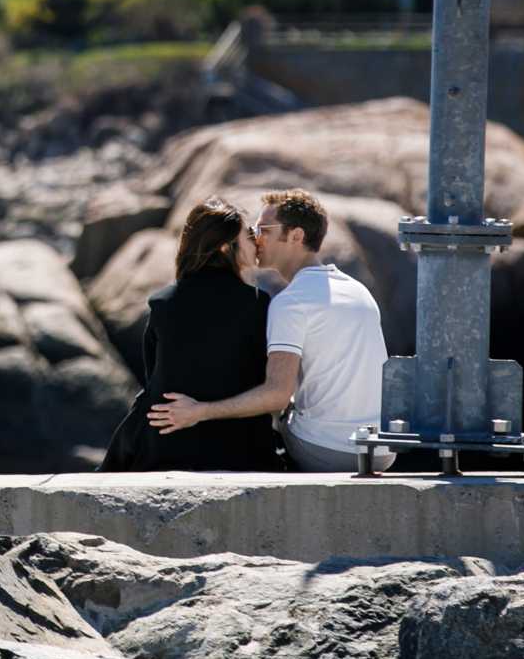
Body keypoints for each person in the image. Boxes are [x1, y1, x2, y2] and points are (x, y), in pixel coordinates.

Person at [149, 187, 393, 471]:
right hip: (382, 450)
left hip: (328, 449)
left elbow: (276, 395)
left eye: (264, 229)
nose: (256, 238)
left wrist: (199, 411)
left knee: (260, 425)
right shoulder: (357, 290)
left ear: (296, 236)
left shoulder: (291, 302)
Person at [100, 198, 281, 472]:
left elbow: (154, 379)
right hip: (244, 450)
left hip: (166, 450)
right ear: (224, 247)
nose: (256, 243)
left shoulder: (161, 302)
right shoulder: (258, 304)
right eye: (248, 236)